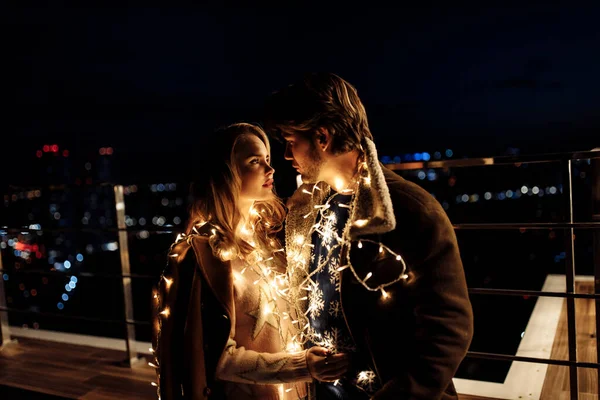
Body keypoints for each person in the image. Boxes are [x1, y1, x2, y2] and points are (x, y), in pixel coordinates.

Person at [264, 73, 474, 399]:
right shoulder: (308, 210)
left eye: (292, 142)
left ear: (322, 137)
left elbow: (447, 329)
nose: (288, 156)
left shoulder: (412, 211)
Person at [151, 123, 350, 400]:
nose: (270, 170)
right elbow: (216, 358)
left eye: (267, 159)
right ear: (225, 173)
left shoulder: (270, 240)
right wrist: (301, 365)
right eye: (255, 161)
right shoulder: (204, 255)